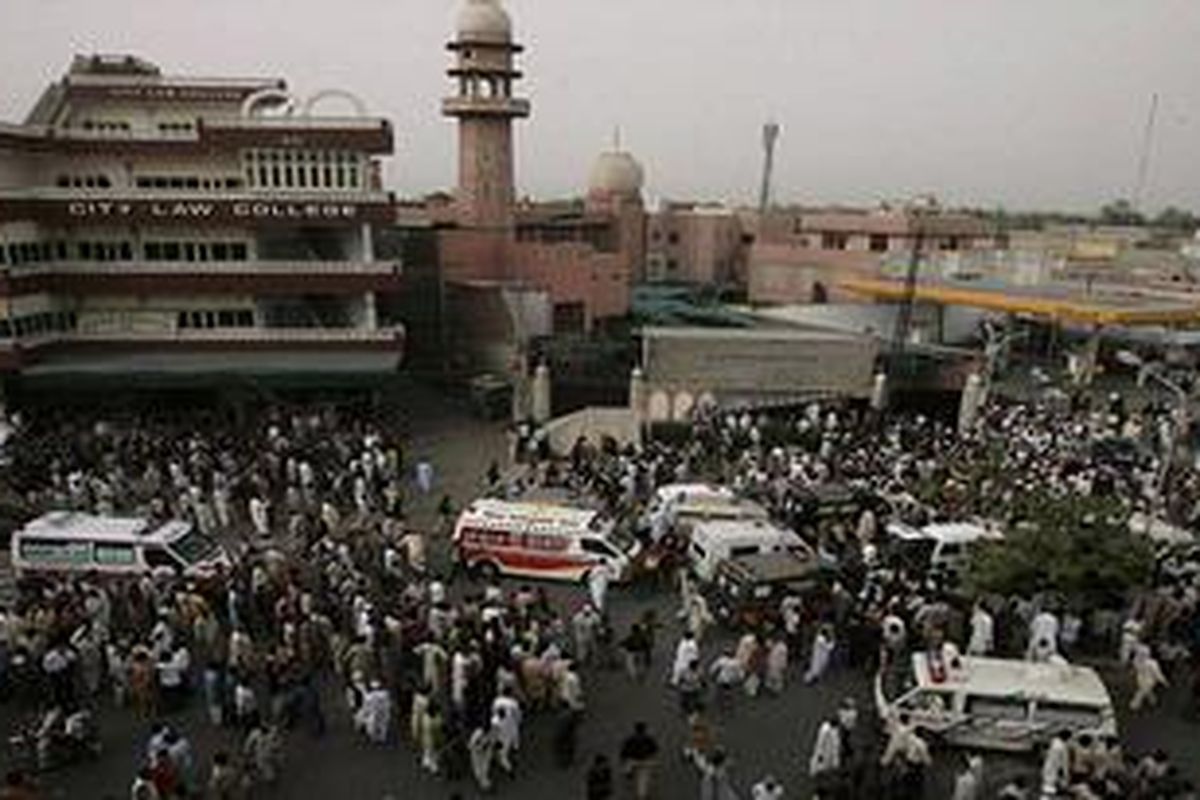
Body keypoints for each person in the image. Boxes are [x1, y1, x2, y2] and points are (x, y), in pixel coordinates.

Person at [619, 722, 660, 800]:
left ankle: (630, 784)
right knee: (643, 783)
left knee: (629, 781)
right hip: (645, 762)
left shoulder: (630, 739)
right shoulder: (648, 739)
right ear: (644, 729)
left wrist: (624, 762)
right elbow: (655, 750)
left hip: (632, 761)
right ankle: (642, 795)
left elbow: (624, 752)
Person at [1130, 643, 1168, 711]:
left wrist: (1163, 681)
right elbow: (1157, 674)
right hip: (1148, 680)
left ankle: (1136, 704)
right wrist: (1164, 681)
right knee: (1144, 692)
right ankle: (1151, 702)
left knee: (1142, 692)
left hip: (1142, 679)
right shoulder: (1152, 663)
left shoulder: (1136, 661)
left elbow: (1157, 674)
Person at [1041, 729, 1072, 798]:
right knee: (1050, 792)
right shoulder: (1058, 746)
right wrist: (1061, 773)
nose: (1069, 740)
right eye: (1069, 738)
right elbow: (1056, 762)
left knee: (1050, 791)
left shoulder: (1057, 744)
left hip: (1053, 772)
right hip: (1054, 772)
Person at [467, 725, 496, 793]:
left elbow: (492, 742)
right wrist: (478, 747)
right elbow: (470, 745)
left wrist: (488, 746)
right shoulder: (478, 733)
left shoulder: (492, 733)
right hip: (477, 754)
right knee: (478, 768)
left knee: (484, 768)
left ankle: (485, 782)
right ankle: (483, 783)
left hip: (486, 754)